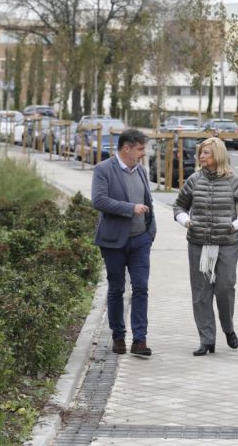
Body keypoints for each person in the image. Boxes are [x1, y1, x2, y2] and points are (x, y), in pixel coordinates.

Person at [173, 137, 238, 356]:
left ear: (217, 155)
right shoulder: (194, 180)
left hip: (226, 243)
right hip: (198, 243)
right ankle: (207, 339)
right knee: (201, 293)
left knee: (224, 288)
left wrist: (237, 224)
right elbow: (179, 205)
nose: (201, 156)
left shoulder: (232, 181)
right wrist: (186, 221)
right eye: (201, 152)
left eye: (206, 153)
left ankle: (228, 328)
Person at [91, 129, 156, 356]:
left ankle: (140, 340)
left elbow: (149, 202)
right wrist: (130, 209)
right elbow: (99, 200)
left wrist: (150, 232)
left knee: (140, 287)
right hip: (113, 242)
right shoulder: (103, 170)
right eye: (140, 149)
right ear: (126, 148)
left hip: (140, 240)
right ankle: (118, 336)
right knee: (117, 288)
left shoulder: (142, 171)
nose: (143, 153)